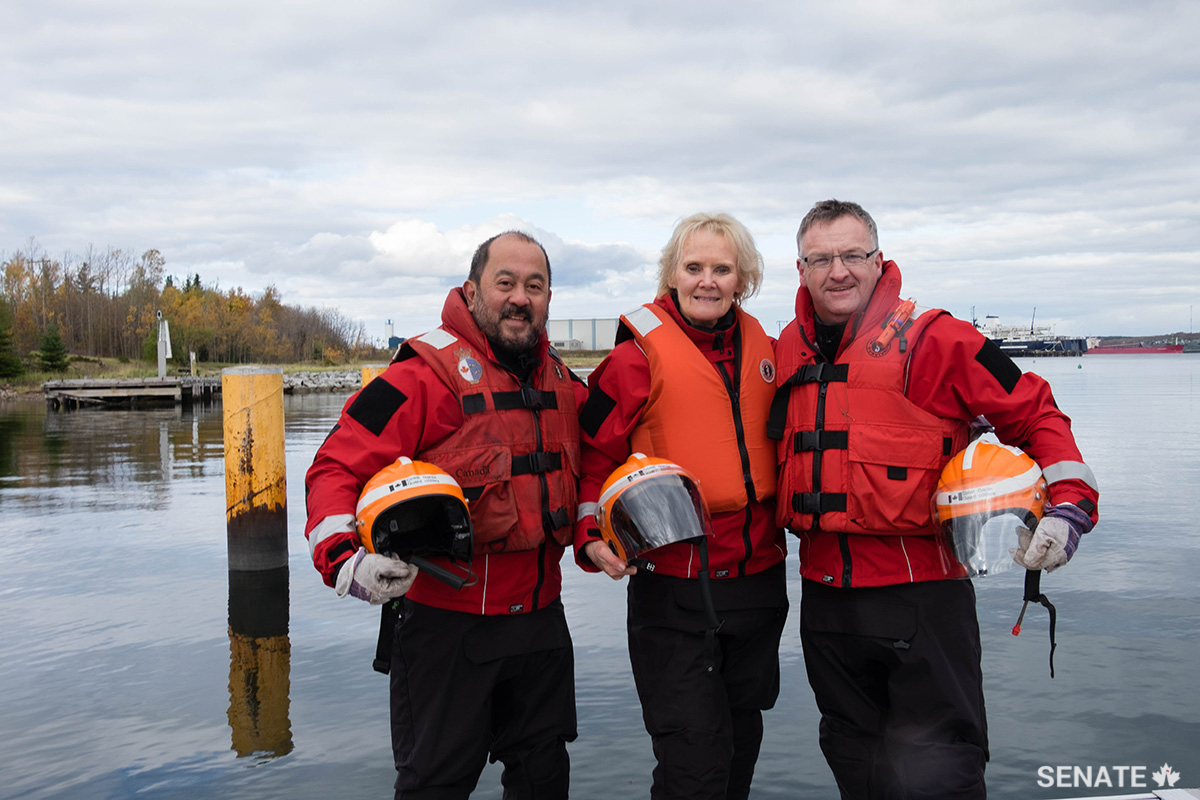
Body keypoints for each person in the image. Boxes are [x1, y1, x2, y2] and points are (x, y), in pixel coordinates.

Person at [771, 199, 1100, 799]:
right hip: (825, 603)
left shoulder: (939, 339)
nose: (837, 271)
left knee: (941, 768)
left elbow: (1035, 411)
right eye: (820, 259)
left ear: (879, 261)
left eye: (852, 255)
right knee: (853, 758)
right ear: (801, 269)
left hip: (921, 598)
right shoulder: (786, 349)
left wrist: (1070, 506)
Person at [304, 231, 588, 800]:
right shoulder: (421, 375)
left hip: (541, 627)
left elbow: (606, 460)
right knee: (434, 787)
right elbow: (334, 467)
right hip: (446, 631)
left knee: (544, 783)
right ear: (472, 291)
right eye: (505, 283)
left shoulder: (561, 383)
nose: (520, 298)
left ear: (549, 299)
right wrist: (344, 561)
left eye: (534, 286)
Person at [574, 212, 789, 800]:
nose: (707, 281)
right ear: (672, 273)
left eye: (722, 269)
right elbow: (591, 458)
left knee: (741, 745)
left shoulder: (769, 351)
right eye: (694, 267)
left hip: (758, 583)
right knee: (692, 763)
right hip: (673, 587)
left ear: (744, 279)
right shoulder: (634, 359)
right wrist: (588, 535)